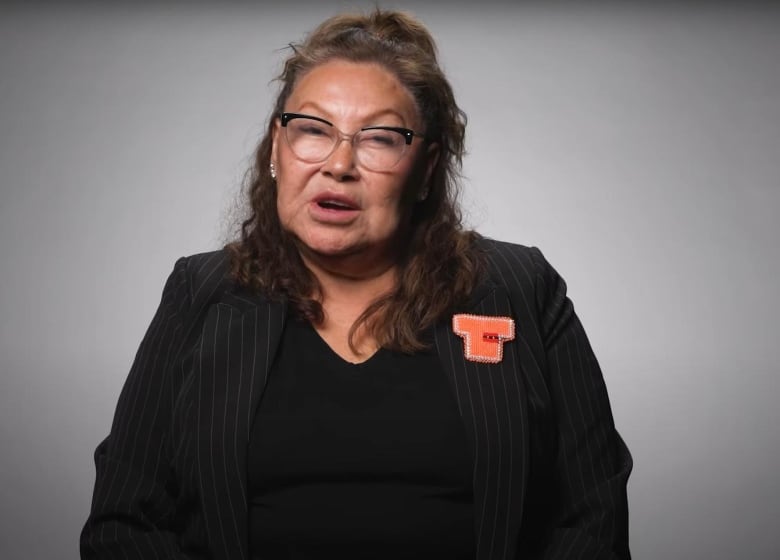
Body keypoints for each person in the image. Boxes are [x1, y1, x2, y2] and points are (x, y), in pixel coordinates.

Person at [81, 9, 631, 560]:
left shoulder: (521, 288)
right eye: (313, 130)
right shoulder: (200, 292)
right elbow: (125, 521)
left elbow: (591, 514)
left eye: (380, 139)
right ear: (277, 148)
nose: (339, 164)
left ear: (427, 166)